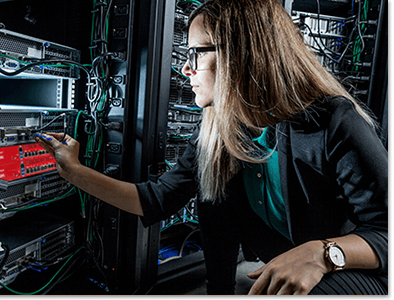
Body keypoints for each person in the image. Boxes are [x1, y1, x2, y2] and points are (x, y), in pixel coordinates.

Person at [35, 0, 387, 295]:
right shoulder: (219, 130)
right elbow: (157, 198)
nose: (185, 68)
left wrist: (322, 254)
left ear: (244, 55)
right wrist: (74, 171)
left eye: (196, 53)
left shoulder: (332, 122)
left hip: (354, 272)